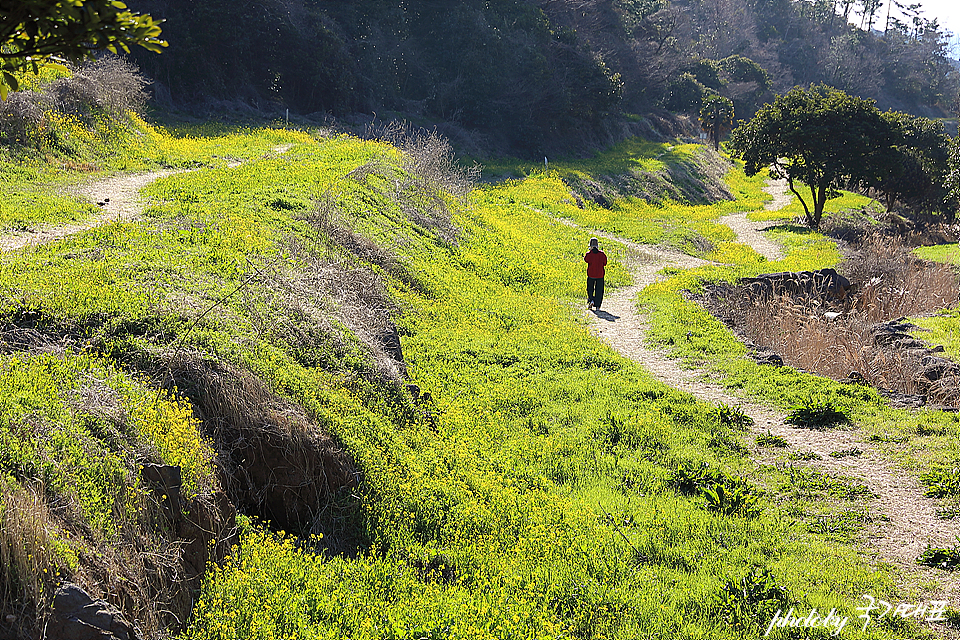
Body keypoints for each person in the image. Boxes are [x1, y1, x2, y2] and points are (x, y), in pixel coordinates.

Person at [584, 237, 607, 311]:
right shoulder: (602, 254)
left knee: (590, 289)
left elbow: (586, 260)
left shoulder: (589, 254)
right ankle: (597, 305)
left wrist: (590, 251)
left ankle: (591, 300)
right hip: (600, 275)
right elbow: (605, 263)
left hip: (591, 275)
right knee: (599, 290)